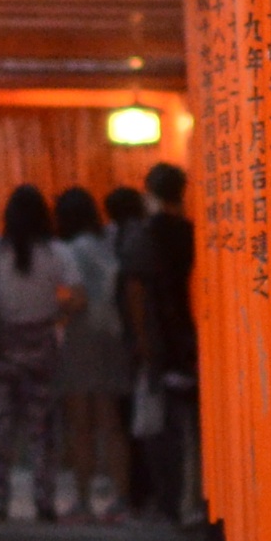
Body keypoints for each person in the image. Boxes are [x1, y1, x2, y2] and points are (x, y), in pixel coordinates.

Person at [0, 184, 84, 523]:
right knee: (42, 429)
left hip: (2, 348)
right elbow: (77, 296)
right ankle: (43, 499)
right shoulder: (56, 251)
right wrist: (53, 310)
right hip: (42, 346)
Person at [120, 162, 200, 520]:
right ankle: (188, 499)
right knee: (189, 426)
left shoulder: (145, 235)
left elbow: (135, 290)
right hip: (189, 337)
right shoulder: (190, 233)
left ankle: (169, 500)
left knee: (159, 427)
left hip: (157, 340)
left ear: (149, 191)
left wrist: (141, 340)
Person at [49, 181, 133, 522]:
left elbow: (73, 295)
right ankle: (121, 498)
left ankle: (83, 501)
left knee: (80, 424)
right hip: (112, 336)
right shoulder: (108, 242)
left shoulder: (69, 250)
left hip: (80, 336)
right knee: (111, 423)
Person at [101, 185, 161, 511]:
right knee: (138, 418)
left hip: (119, 339)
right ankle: (141, 490)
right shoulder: (135, 236)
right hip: (131, 339)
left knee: (129, 418)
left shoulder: (117, 238)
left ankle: (135, 491)